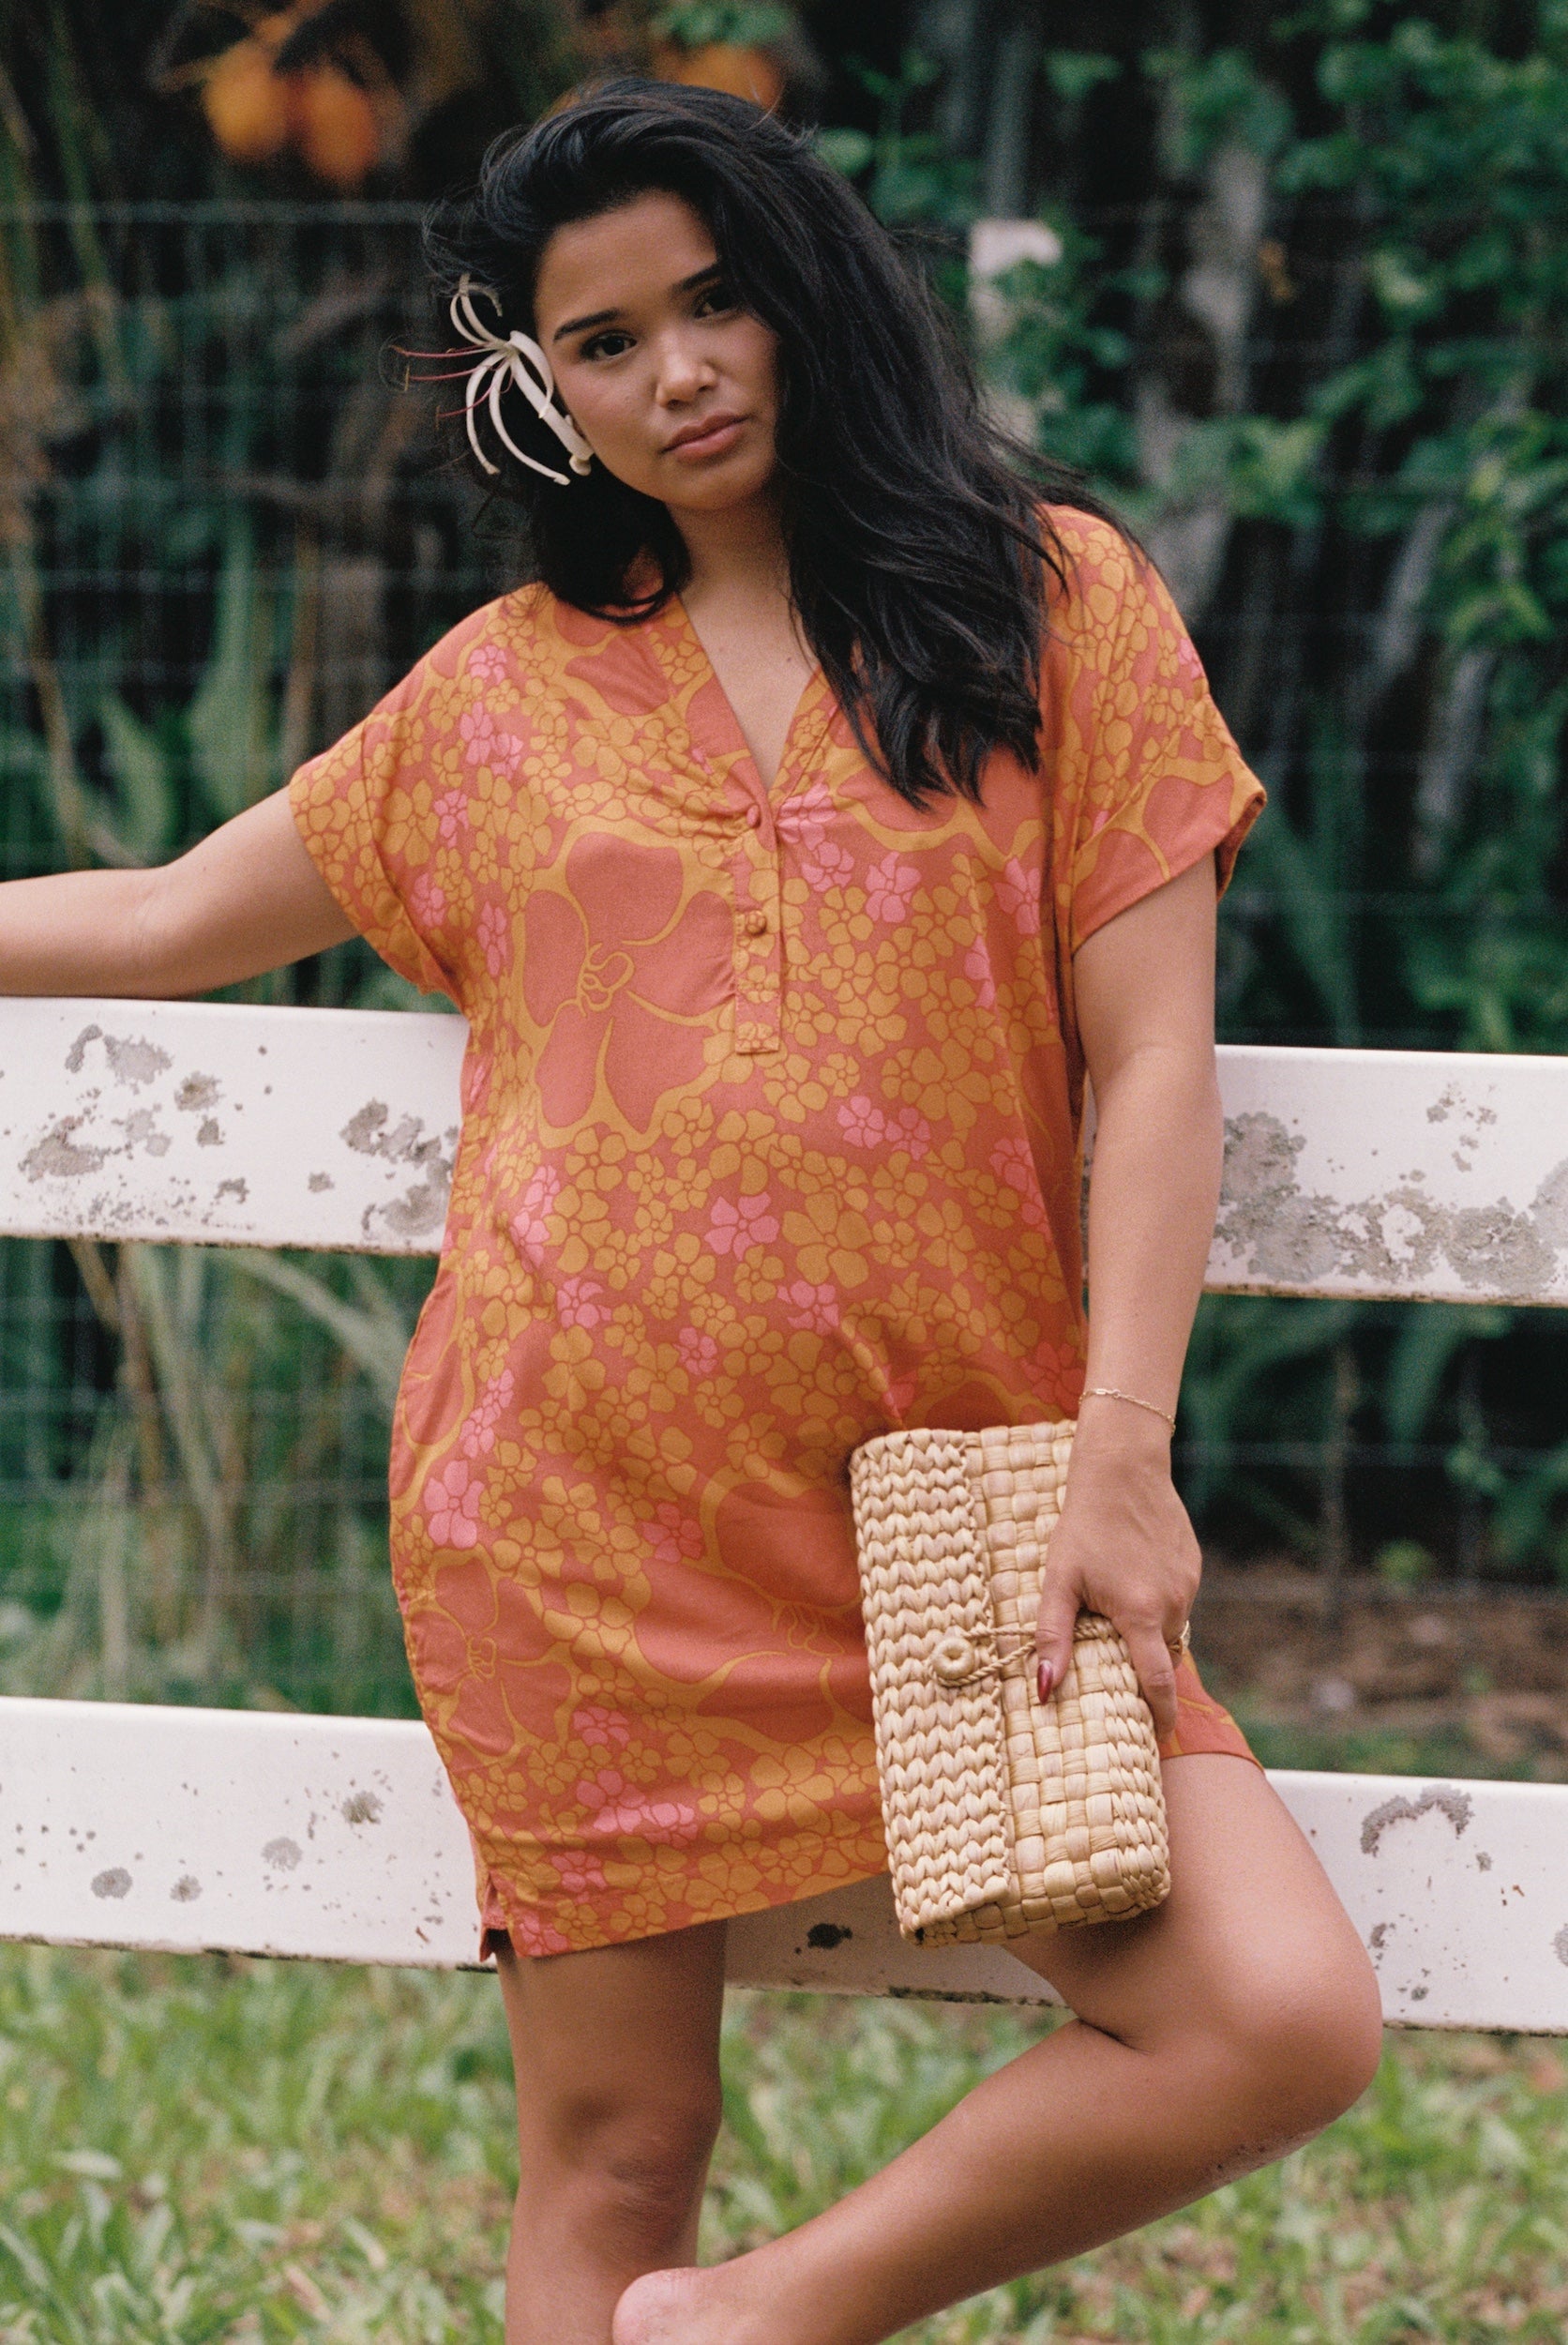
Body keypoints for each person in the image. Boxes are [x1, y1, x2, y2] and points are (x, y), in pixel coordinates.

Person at [0, 78, 1381, 2345]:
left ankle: (737, 2325)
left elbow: (1152, 1065)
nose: (682, 372)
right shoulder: (499, 701)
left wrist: (1122, 1450)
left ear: (808, 289)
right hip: (571, 1530)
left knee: (1270, 2010)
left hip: (960, 1525)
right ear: (548, 390)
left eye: (716, 299)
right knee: (616, 2155)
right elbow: (164, 918)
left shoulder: (1052, 607)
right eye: (609, 339)